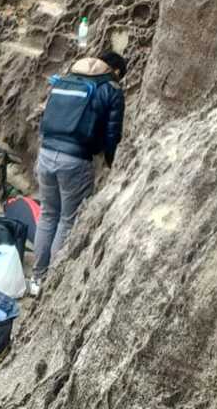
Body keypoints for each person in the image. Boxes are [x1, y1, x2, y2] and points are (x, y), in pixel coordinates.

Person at [30, 49, 127, 291]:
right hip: (75, 160)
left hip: (46, 154)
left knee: (48, 215)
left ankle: (37, 278)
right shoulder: (111, 90)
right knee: (68, 220)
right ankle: (52, 284)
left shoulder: (67, 79)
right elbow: (112, 134)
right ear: (115, 71)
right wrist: (112, 162)